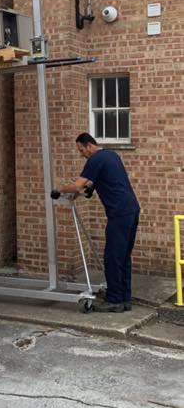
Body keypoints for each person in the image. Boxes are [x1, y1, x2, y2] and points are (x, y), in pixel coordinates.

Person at [51, 133, 140, 313]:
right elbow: (102, 180)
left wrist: (58, 189)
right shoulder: (110, 155)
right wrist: (91, 188)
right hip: (131, 209)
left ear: (89, 145)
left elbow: (77, 185)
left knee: (112, 256)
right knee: (123, 256)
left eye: (81, 150)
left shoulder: (95, 159)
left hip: (119, 213)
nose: (81, 154)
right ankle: (124, 298)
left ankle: (115, 300)